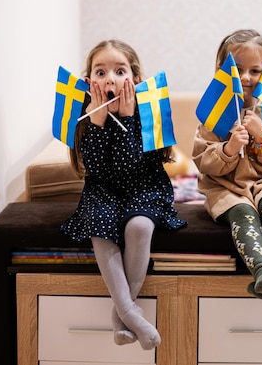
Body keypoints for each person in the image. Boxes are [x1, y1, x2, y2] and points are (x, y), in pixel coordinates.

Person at [61, 39, 186, 349]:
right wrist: (99, 122)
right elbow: (98, 170)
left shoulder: (146, 113)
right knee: (99, 227)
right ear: (89, 82)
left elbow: (128, 167)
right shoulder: (88, 115)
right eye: (100, 72)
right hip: (103, 189)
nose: (110, 79)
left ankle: (121, 316)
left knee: (140, 226)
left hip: (143, 186)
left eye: (119, 71)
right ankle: (131, 311)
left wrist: (128, 118)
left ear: (136, 79)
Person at [192, 29, 262, 300]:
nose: (246, 78)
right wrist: (228, 149)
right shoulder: (215, 111)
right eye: (238, 69)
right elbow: (203, 160)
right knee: (242, 213)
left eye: (255, 71)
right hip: (226, 188)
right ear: (223, 70)